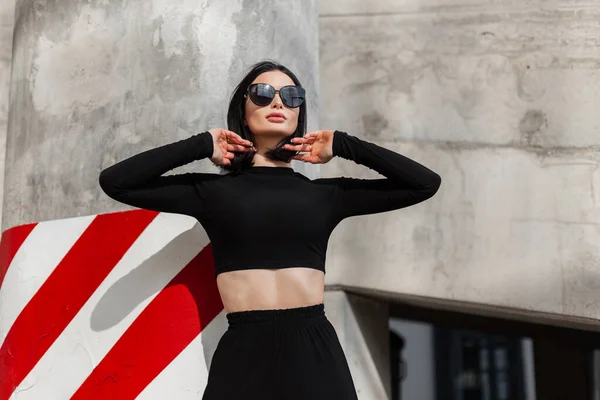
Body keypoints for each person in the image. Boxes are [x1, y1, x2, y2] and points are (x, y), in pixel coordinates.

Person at [98, 59, 441, 400]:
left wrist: (345, 145)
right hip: (244, 350)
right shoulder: (211, 192)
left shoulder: (326, 195)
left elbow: (424, 184)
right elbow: (117, 183)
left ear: (297, 114)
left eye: (291, 96)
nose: (278, 102)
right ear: (243, 112)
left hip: (314, 351)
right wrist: (201, 144)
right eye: (263, 94)